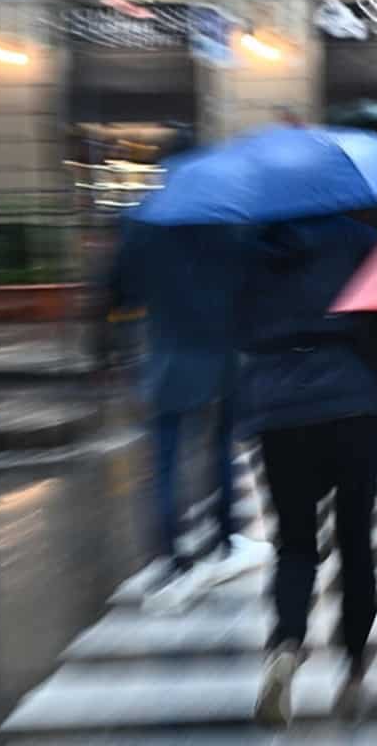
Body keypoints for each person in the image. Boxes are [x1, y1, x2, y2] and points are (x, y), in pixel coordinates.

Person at [237, 213, 377, 727]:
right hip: (354, 398)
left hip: (277, 404)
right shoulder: (356, 237)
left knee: (295, 541)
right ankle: (353, 675)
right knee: (355, 538)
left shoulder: (254, 243)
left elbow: (231, 323)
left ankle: (286, 644)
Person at [107, 221, 267, 613]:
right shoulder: (228, 226)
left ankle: (171, 557)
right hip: (221, 359)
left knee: (165, 465)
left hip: (165, 361)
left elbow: (119, 293)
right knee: (220, 452)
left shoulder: (144, 226)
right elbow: (251, 289)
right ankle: (224, 540)